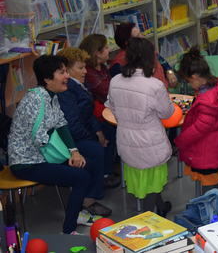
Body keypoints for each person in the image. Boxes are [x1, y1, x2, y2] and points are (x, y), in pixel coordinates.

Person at [9, 55, 98, 234]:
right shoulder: (35, 100)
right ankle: (68, 230)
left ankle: (76, 212)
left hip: (41, 156)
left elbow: (61, 123)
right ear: (48, 79)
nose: (67, 76)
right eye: (62, 72)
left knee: (86, 164)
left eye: (66, 71)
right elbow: (40, 138)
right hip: (26, 163)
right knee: (81, 177)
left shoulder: (51, 96)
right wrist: (67, 155)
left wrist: (74, 152)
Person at [106, 38, 174, 216]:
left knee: (144, 181)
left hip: (127, 141)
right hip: (150, 143)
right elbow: (166, 113)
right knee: (153, 181)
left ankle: (160, 205)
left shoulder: (115, 81)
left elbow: (112, 107)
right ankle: (148, 218)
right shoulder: (154, 85)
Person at [58, 47, 120, 202]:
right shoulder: (67, 90)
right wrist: (93, 136)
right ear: (67, 70)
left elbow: (88, 112)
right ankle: (90, 198)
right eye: (80, 68)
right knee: (95, 149)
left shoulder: (77, 85)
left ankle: (103, 177)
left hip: (83, 129)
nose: (85, 71)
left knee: (107, 132)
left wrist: (98, 131)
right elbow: (73, 123)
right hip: (72, 137)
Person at [175, 48, 218, 192]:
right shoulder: (216, 86)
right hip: (217, 143)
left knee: (210, 192)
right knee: (213, 184)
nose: (189, 85)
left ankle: (210, 213)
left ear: (195, 77)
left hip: (208, 149)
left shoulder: (207, 101)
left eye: (188, 81)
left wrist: (180, 141)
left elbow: (199, 128)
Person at [79, 34, 119, 181]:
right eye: (106, 48)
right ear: (97, 52)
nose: (109, 50)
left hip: (107, 109)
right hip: (96, 114)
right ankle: (105, 173)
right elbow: (108, 90)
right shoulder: (89, 73)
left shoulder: (102, 67)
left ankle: (112, 165)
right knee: (109, 130)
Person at [109, 22, 177, 88]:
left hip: (162, 91)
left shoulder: (145, 49)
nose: (143, 37)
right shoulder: (118, 65)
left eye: (140, 33)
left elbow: (162, 61)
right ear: (127, 43)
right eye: (138, 36)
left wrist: (170, 72)